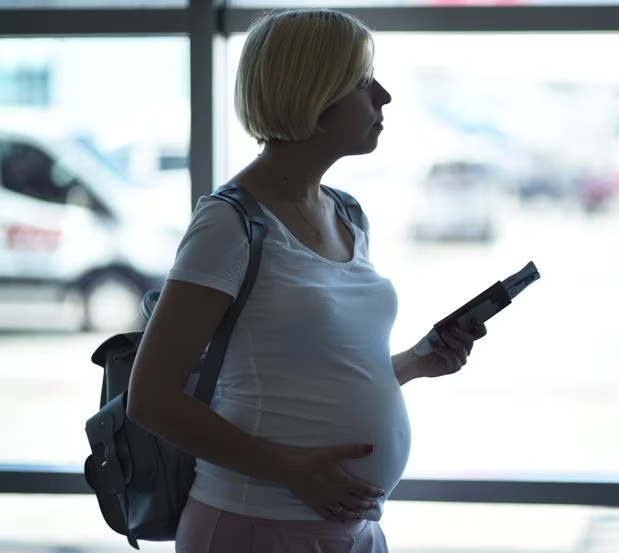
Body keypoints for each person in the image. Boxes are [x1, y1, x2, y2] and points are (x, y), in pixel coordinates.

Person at [125, 8, 486, 553]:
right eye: (363, 82)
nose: (384, 96)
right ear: (314, 95)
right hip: (254, 526)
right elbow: (150, 398)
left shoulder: (348, 215)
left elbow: (314, 374)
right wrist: (292, 472)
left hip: (353, 528)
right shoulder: (229, 225)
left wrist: (414, 363)